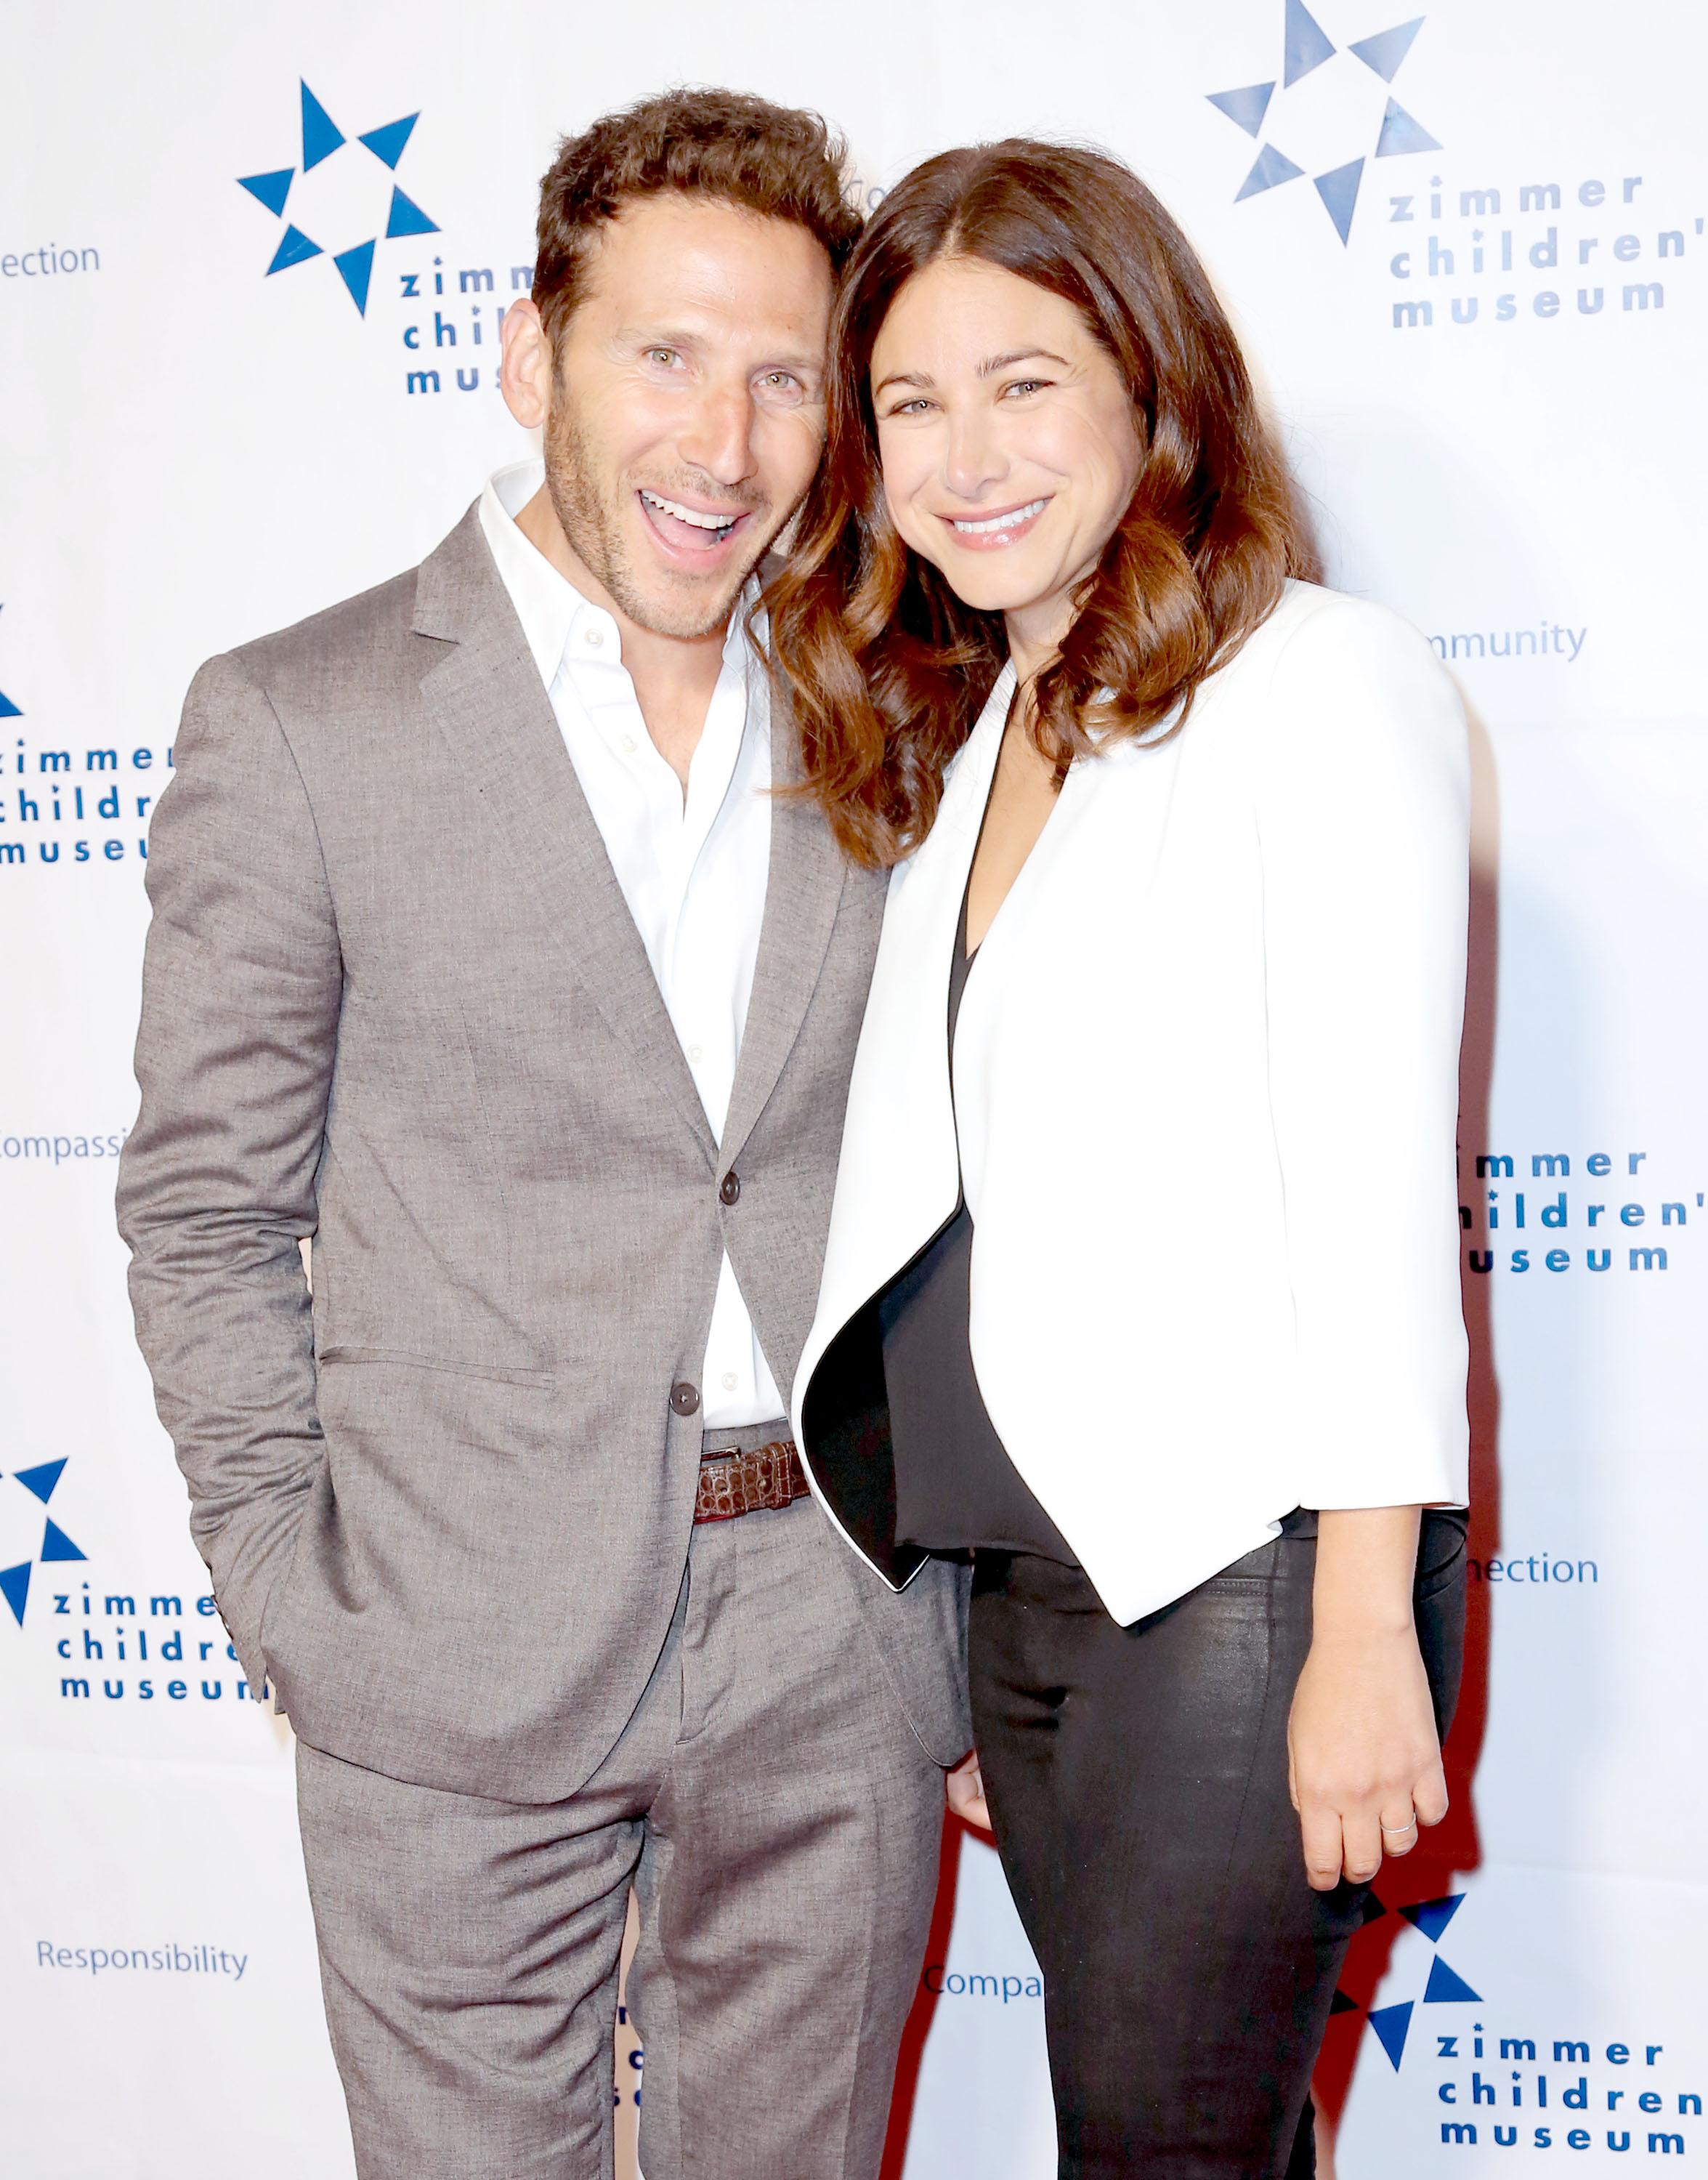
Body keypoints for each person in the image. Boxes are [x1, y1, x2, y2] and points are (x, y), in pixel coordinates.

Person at [116, 89, 969, 2180]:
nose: (725, 441)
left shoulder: (892, 707)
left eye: (782, 377)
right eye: (662, 356)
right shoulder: (301, 720)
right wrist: (285, 1594)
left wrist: (939, 1614)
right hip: (444, 1634)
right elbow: (206, 1211)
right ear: (529, 357)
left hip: (827, 1618)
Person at [772, 140, 1470, 2178]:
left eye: (1025, 383)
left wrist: (1358, 1640)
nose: (963, 454)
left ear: (1152, 391)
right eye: (911, 401)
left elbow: (1367, 1188)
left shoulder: (1314, 686)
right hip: (1047, 1593)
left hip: (1250, 1588)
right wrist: (981, 1635)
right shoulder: (988, 725)